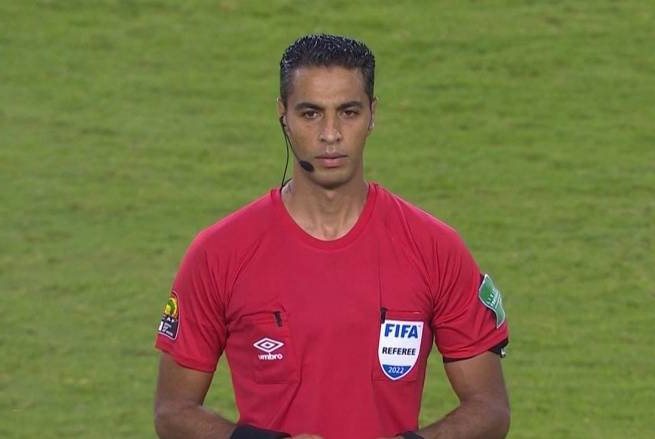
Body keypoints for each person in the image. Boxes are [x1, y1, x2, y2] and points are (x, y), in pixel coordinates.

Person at [153, 34, 510, 439]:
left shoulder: (434, 249)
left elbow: (489, 408)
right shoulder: (219, 253)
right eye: (310, 113)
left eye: (348, 112)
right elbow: (173, 411)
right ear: (283, 116)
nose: (330, 134)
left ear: (372, 115)